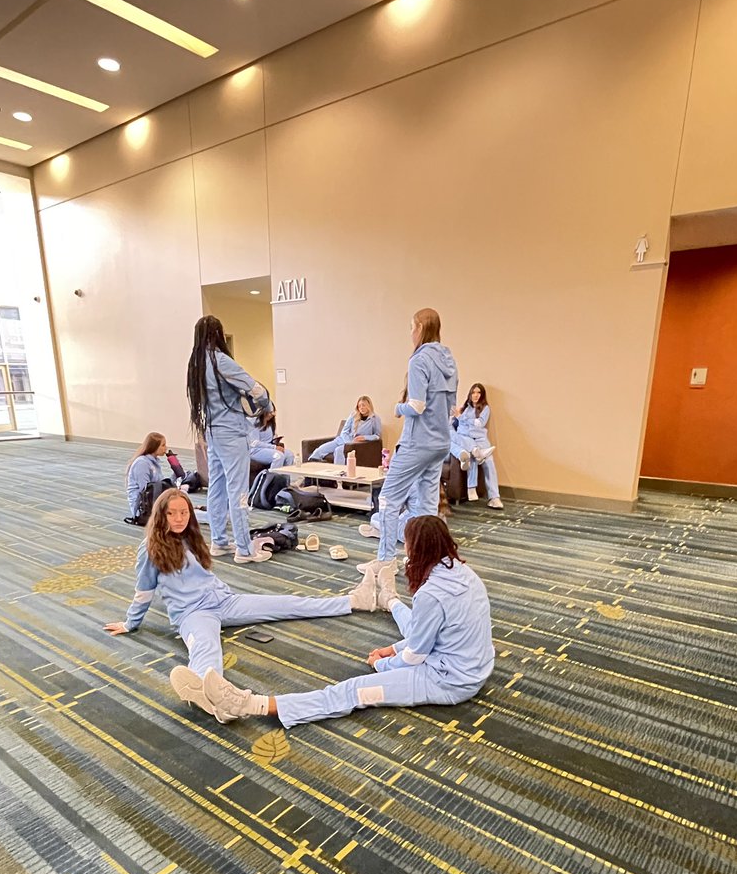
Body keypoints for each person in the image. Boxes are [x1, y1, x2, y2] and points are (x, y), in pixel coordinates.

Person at [197, 516, 493, 728]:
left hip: (449, 681)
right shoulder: (465, 573)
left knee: (354, 691)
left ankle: (251, 704)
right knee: (415, 625)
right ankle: (387, 598)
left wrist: (382, 664)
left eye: (409, 545)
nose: (406, 552)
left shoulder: (431, 595)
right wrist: (391, 648)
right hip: (471, 664)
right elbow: (435, 634)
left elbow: (416, 655)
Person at [104, 491, 381, 711]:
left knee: (285, 605)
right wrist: (131, 623)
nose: (178, 518)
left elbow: (205, 576)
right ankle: (206, 693)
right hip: (193, 615)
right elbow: (143, 591)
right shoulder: (150, 548)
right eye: (171, 513)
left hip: (224, 601)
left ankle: (354, 600)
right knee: (206, 649)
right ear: (160, 515)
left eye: (184, 512)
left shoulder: (191, 537)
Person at [368, 310, 457, 596]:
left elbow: (416, 405)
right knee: (426, 505)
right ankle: (424, 559)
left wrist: (397, 408)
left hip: (418, 442)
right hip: (441, 442)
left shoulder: (420, 359)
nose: (410, 334)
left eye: (411, 328)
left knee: (388, 499)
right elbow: (452, 407)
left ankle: (385, 561)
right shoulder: (449, 360)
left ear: (419, 327)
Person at [186, 314, 273, 564]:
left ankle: (218, 541)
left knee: (217, 489)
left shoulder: (195, 365)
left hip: (212, 433)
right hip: (232, 434)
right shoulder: (220, 361)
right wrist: (265, 405)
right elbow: (255, 388)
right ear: (218, 334)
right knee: (238, 491)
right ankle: (244, 549)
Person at [450, 383, 503, 508]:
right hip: (465, 439)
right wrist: (455, 418)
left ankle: (494, 497)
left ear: (482, 395)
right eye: (473, 392)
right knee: (453, 436)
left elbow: (479, 423)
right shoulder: (464, 408)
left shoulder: (485, 408)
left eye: (478, 392)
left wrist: (461, 418)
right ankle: (471, 488)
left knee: (489, 463)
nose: (475, 395)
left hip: (480, 441)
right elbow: (454, 422)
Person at [308, 396, 382, 464]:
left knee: (338, 451)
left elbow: (377, 435)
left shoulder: (375, 419)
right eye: (359, 406)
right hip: (342, 440)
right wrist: (348, 442)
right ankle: (310, 472)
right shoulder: (353, 415)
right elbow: (344, 431)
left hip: (357, 445)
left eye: (363, 405)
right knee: (320, 450)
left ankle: (339, 476)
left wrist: (364, 438)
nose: (361, 408)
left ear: (369, 406)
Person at [125, 431, 175, 520]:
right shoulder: (142, 463)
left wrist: (176, 471)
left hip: (154, 499)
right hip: (142, 507)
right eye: (163, 445)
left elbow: (159, 484)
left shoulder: (154, 462)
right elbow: (145, 490)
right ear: (154, 447)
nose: (166, 448)